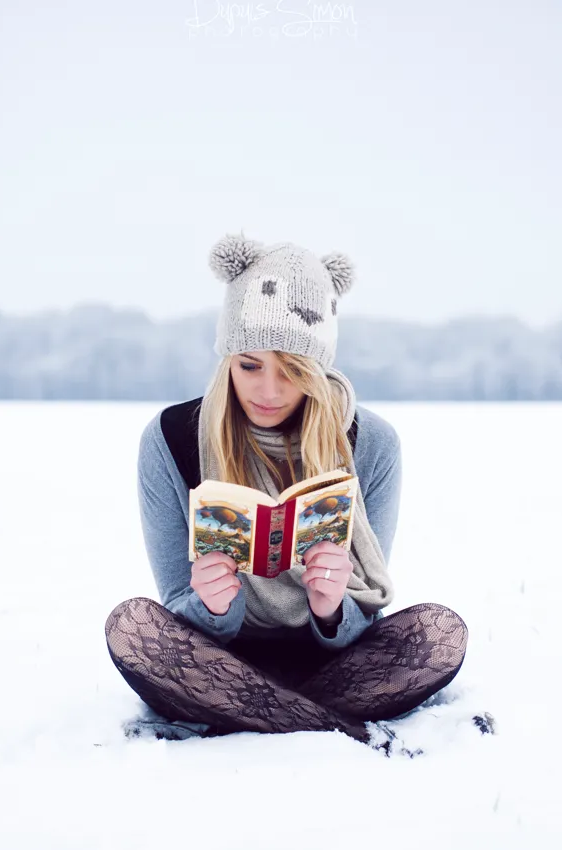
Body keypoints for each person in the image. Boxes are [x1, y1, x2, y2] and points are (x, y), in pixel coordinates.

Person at [104, 232, 469, 750]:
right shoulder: (171, 439)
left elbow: (364, 620)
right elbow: (174, 608)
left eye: (292, 371)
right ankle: (333, 726)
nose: (268, 391)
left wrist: (330, 606)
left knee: (438, 634)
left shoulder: (373, 444)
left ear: (317, 370)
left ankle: (253, 716)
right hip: (218, 660)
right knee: (133, 627)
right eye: (249, 365)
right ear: (226, 356)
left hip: (334, 664)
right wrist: (211, 605)